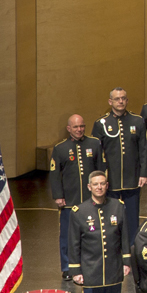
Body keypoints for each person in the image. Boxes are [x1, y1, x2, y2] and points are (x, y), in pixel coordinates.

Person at [68, 170, 131, 293]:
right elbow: (74, 243)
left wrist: (126, 262)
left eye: (102, 183)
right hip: (90, 272)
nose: (99, 187)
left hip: (113, 269)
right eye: (95, 184)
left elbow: (124, 237)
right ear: (89, 187)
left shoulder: (118, 207)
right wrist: (76, 270)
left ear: (107, 184)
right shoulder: (79, 212)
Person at [50, 114, 103, 278]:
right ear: (68, 129)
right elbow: (54, 174)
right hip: (69, 201)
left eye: (82, 126)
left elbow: (101, 169)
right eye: (75, 127)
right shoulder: (60, 148)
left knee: (93, 233)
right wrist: (58, 196)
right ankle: (67, 268)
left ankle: (93, 264)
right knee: (67, 236)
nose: (79, 130)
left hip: (91, 200)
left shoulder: (94, 144)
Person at [94, 88, 147, 243]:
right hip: (111, 180)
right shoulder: (101, 124)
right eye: (117, 99)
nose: (120, 101)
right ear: (110, 101)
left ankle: (132, 249)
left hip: (132, 179)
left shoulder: (137, 121)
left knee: (132, 218)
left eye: (123, 98)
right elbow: (98, 153)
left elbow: (144, 150)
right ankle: (113, 247)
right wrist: (99, 179)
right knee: (111, 218)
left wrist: (143, 173)